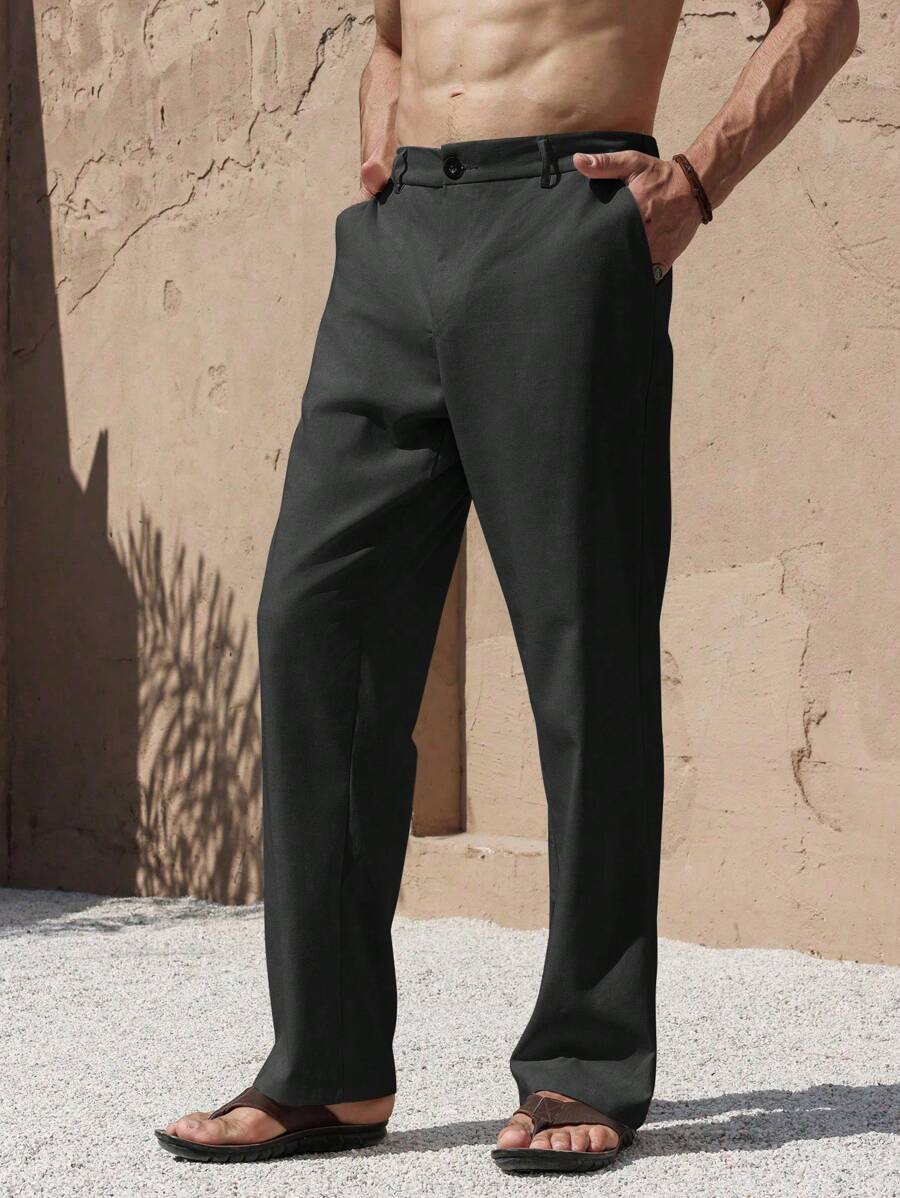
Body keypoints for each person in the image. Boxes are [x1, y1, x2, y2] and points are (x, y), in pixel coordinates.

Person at [156, 0, 859, 1173]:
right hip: (396, 239)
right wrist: (380, 160)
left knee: (583, 646)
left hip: (563, 219)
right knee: (314, 624)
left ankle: (586, 1057)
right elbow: (391, 40)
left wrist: (695, 182)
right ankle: (327, 1068)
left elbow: (826, 16)